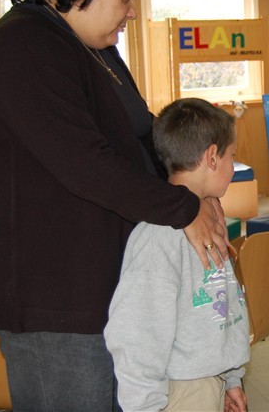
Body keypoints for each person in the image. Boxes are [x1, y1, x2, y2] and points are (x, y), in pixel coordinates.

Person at [0, 0, 229, 410]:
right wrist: (183, 207)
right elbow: (85, 163)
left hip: (101, 284)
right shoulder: (24, 45)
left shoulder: (92, 49)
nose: (131, 11)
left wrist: (199, 183)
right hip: (52, 298)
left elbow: (143, 135)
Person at [105, 98, 249, 412]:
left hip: (212, 379)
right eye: (232, 157)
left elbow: (221, 311)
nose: (232, 166)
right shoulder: (157, 238)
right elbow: (136, 334)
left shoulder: (211, 221)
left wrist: (231, 377)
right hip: (179, 390)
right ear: (212, 156)